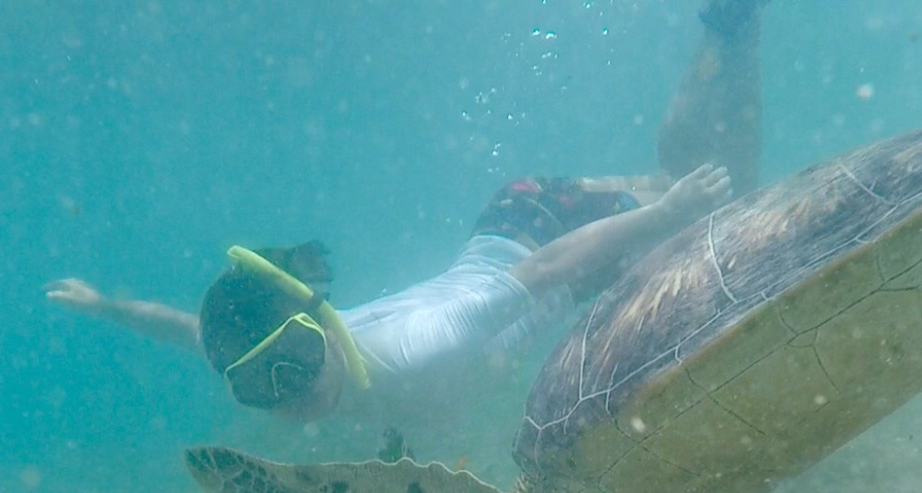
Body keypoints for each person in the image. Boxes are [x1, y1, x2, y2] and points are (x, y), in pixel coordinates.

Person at [46, 0, 766, 424]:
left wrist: (666, 211)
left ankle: (724, 30)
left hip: (541, 232)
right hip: (508, 227)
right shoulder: (280, 350)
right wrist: (101, 304)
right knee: (696, 182)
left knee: (706, 191)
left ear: (319, 325)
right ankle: (723, 43)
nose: (287, 399)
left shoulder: (426, 340)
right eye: (254, 387)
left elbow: (548, 268)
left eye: (293, 366)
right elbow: (185, 330)